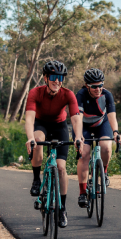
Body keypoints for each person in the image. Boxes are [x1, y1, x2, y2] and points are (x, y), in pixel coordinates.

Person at [25, 60, 84, 228]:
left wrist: (78, 136)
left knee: (61, 168)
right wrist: (30, 137)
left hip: (59, 126)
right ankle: (37, 179)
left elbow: (75, 118)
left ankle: (62, 209)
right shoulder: (35, 93)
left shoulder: (68, 94)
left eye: (60, 77)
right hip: (40, 124)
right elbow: (29, 118)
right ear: (45, 78)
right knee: (37, 141)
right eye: (53, 77)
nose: (57, 81)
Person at [74, 68, 121, 208]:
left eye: (101, 85)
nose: (98, 89)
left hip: (102, 124)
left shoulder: (107, 95)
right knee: (84, 154)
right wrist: (78, 137)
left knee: (106, 147)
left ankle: (104, 171)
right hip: (83, 126)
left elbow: (112, 116)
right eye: (94, 86)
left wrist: (115, 132)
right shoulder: (81, 95)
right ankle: (83, 192)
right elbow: (78, 118)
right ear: (86, 86)